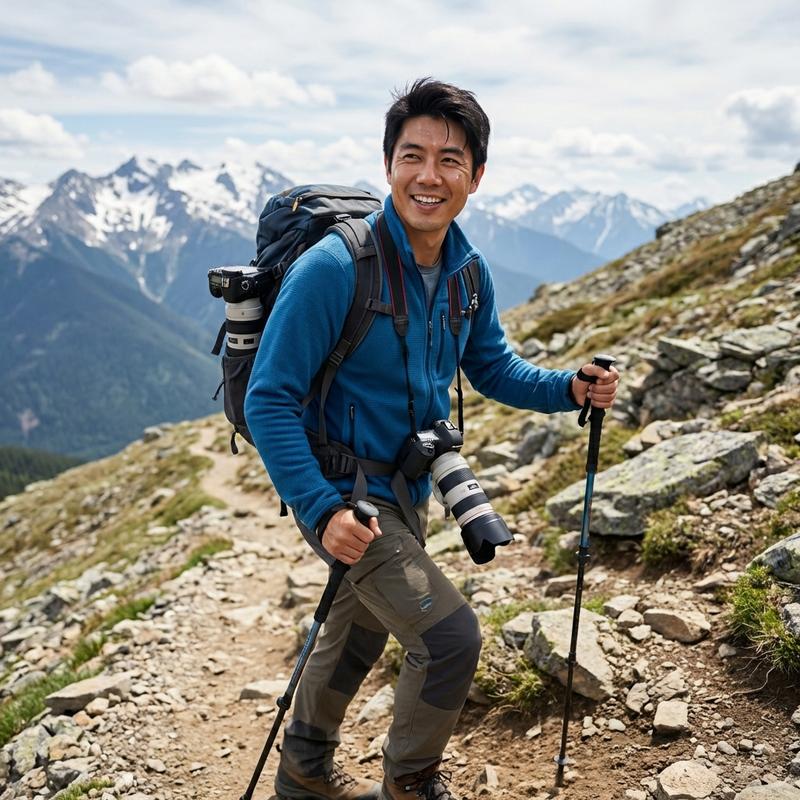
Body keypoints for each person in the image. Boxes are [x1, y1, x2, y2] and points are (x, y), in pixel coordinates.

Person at [244, 77, 619, 800]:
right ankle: (409, 785)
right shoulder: (333, 270)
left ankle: (302, 772)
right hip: (344, 495)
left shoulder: (465, 273)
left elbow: (492, 367)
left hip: (409, 486)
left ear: (476, 176)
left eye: (451, 160)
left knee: (358, 631)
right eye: (412, 155)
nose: (429, 175)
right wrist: (321, 510)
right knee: (449, 640)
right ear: (388, 165)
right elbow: (269, 399)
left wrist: (566, 388)